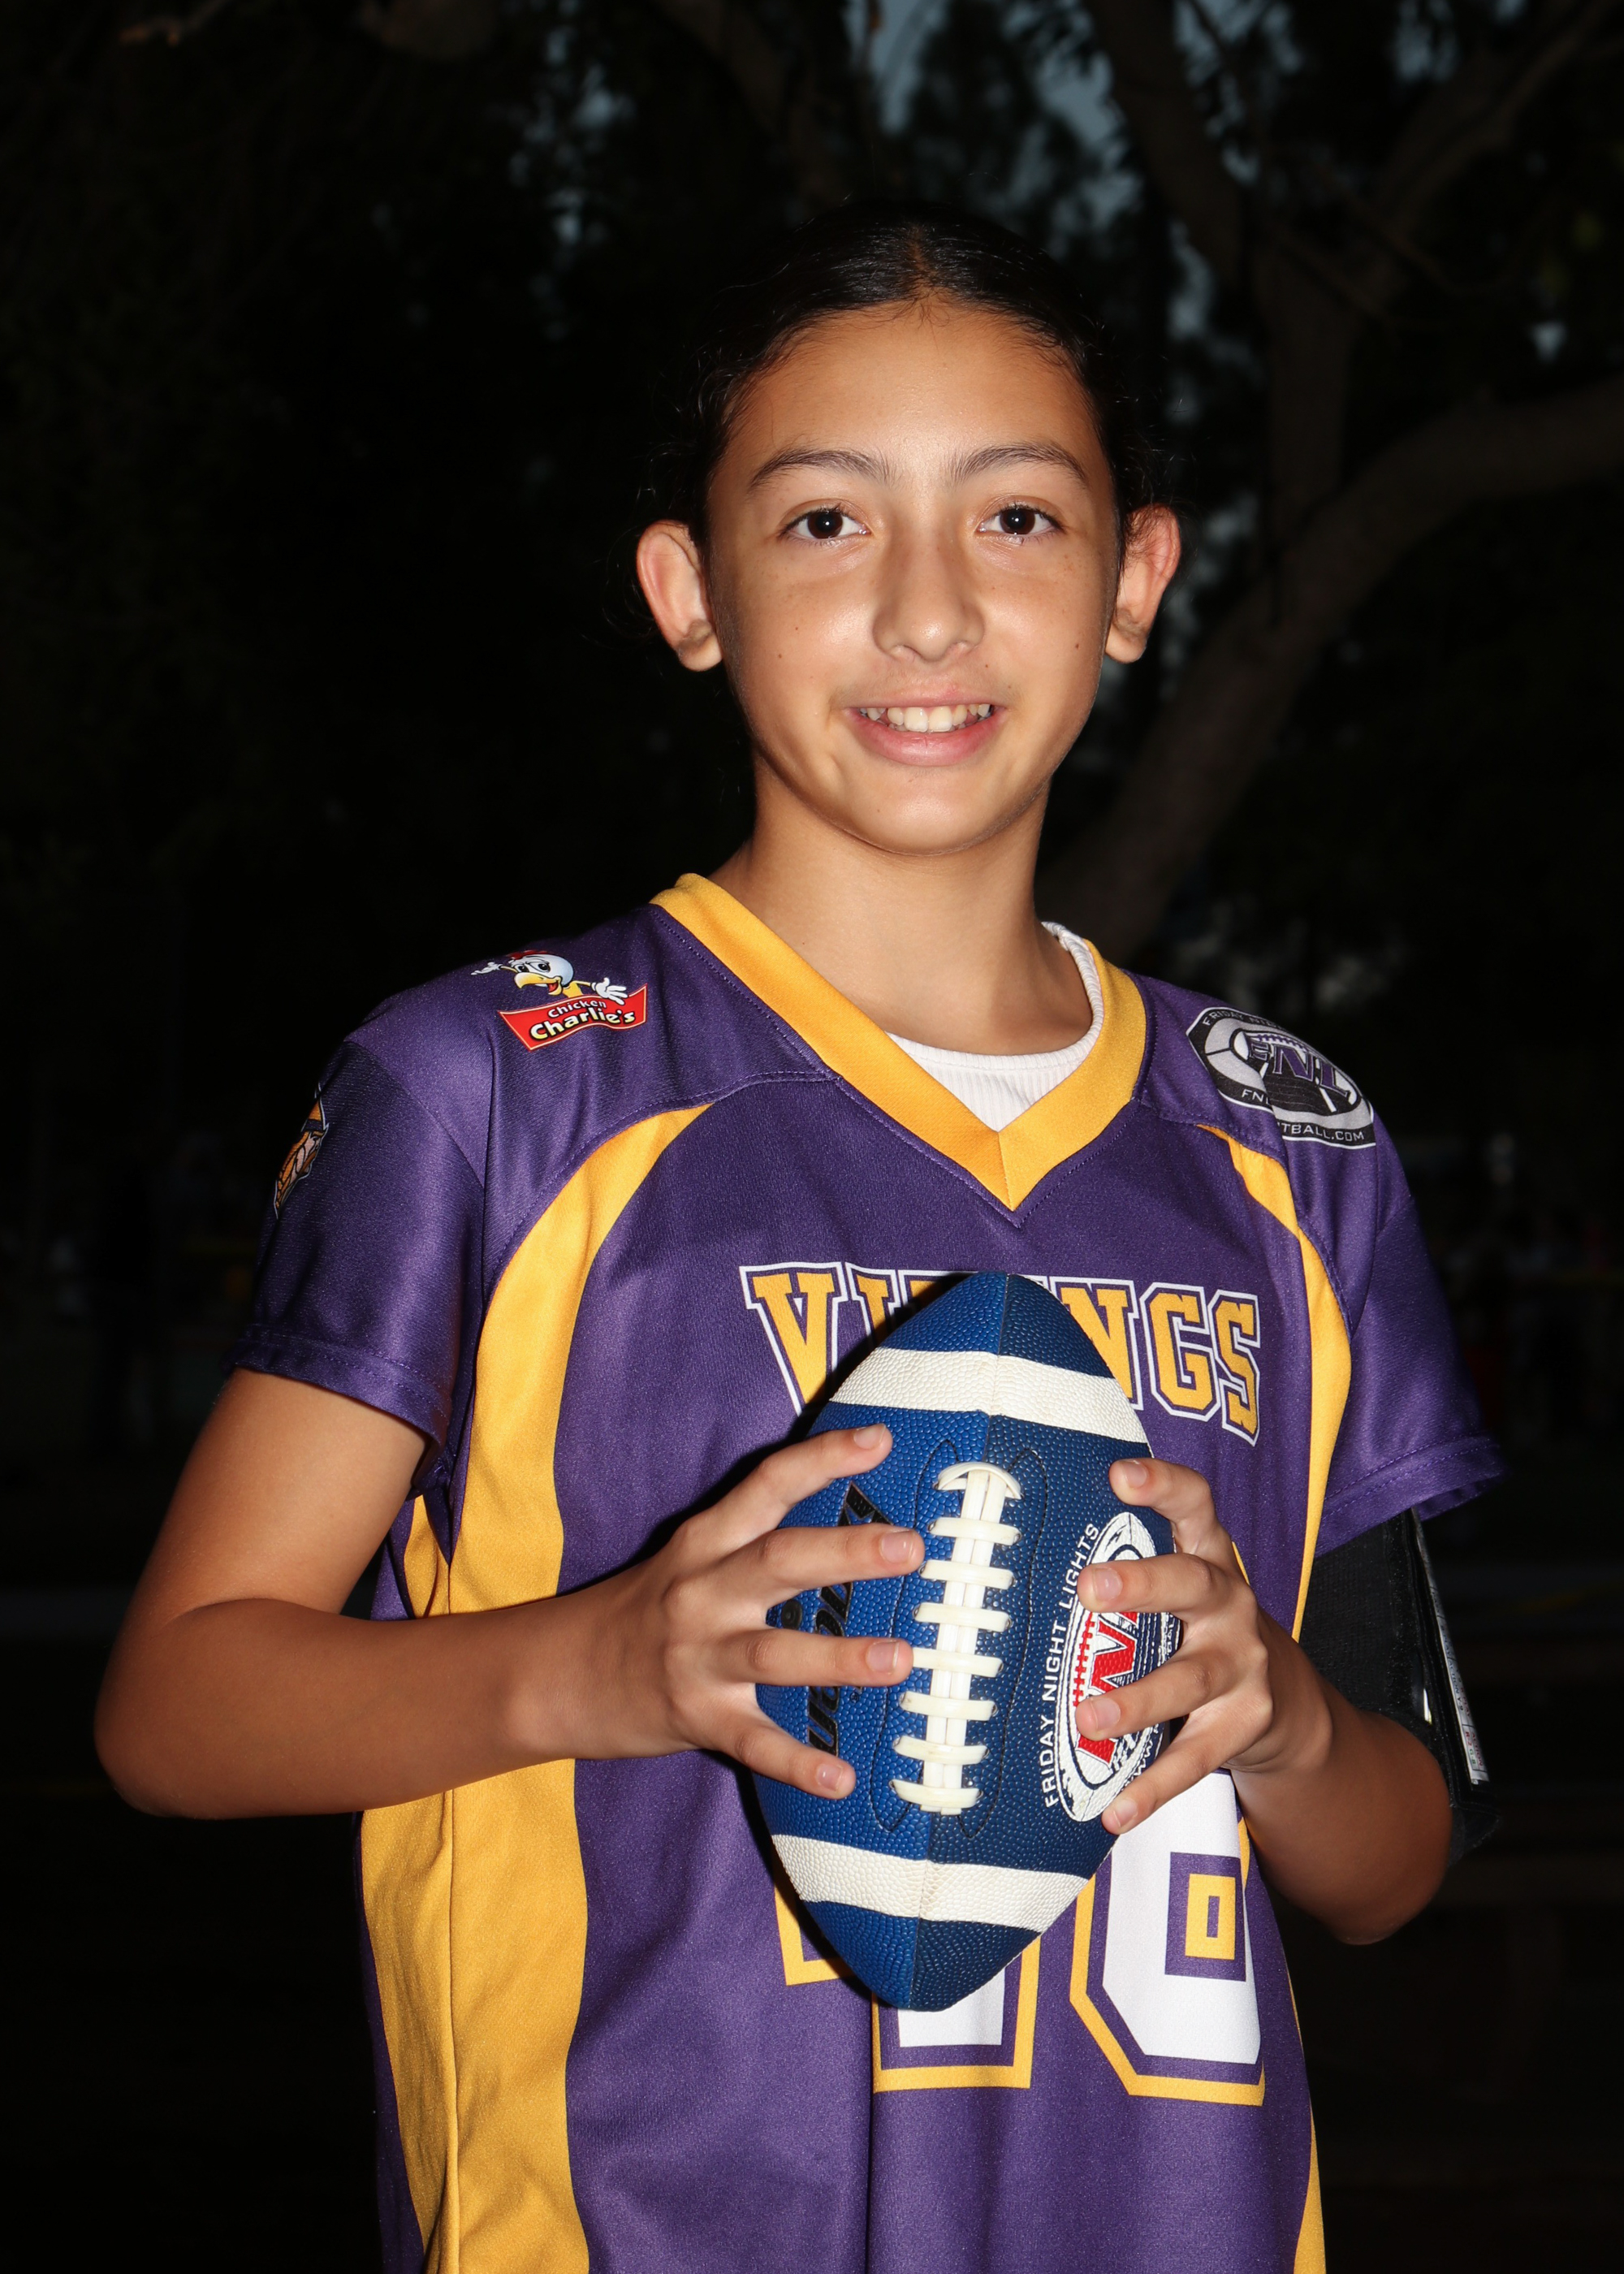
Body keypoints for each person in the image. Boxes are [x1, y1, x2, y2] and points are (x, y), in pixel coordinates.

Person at [96, 205, 1501, 2274]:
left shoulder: (1286, 1143)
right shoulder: (502, 1086)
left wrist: (1277, 1714)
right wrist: (599, 1661)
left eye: (1016, 517)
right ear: (690, 589)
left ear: (1134, 578)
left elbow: (1390, 1860)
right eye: (828, 521)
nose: (928, 610)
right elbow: (175, 1705)